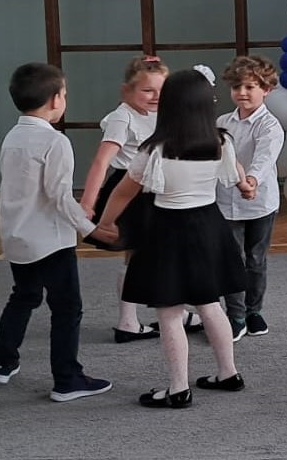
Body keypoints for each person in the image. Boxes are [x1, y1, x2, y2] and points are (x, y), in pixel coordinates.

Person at [96, 67, 252, 408]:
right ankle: (228, 372)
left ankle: (178, 388)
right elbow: (236, 172)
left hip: (168, 230)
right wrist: (244, 184)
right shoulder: (221, 141)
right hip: (209, 227)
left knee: (169, 311)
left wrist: (105, 223)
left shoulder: (155, 148)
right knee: (210, 304)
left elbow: (123, 192)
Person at [0, 62, 114, 402]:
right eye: (65, 94)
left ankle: (3, 362)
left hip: (17, 238)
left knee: (24, 296)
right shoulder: (55, 141)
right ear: (56, 100)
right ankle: (67, 379)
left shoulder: (12, 137)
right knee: (67, 308)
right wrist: (92, 230)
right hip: (51, 242)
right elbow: (59, 197)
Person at [80, 55, 185, 343]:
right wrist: (88, 202)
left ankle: (172, 310)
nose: (155, 96)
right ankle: (128, 320)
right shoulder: (122, 117)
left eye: (161, 90)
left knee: (165, 254)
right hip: (130, 192)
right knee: (137, 256)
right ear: (127, 90)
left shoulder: (163, 113)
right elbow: (101, 162)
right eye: (147, 90)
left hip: (159, 188)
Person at [217, 55, 285, 341]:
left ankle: (253, 311)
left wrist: (251, 181)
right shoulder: (222, 122)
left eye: (249, 87)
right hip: (225, 202)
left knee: (255, 259)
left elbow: (264, 159)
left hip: (260, 203)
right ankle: (235, 315)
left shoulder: (270, 126)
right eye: (236, 87)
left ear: (266, 89)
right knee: (232, 260)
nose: (242, 93)